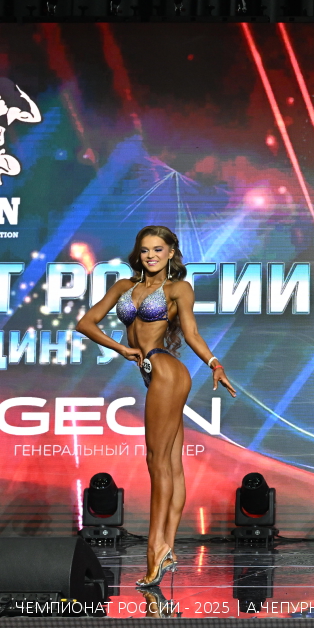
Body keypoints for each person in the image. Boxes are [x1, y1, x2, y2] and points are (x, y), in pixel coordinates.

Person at [76, 226, 236, 587]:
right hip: (154, 373)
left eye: (158, 249)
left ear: (170, 253)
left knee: (157, 462)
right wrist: (121, 348)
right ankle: (167, 547)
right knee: (171, 465)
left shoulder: (178, 289)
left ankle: (155, 549)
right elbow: (85, 323)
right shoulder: (123, 287)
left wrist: (215, 364)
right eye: (145, 249)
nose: (151, 255)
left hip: (167, 371)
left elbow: (191, 333)